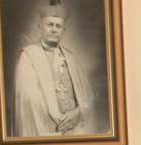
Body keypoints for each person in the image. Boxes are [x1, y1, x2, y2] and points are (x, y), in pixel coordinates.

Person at [13, 0, 97, 137]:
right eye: (50, 25)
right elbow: (29, 101)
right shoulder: (28, 56)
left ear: (63, 30)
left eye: (58, 26)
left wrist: (77, 113)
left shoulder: (72, 58)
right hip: (46, 129)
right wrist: (59, 120)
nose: (54, 30)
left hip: (74, 129)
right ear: (40, 27)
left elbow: (87, 96)